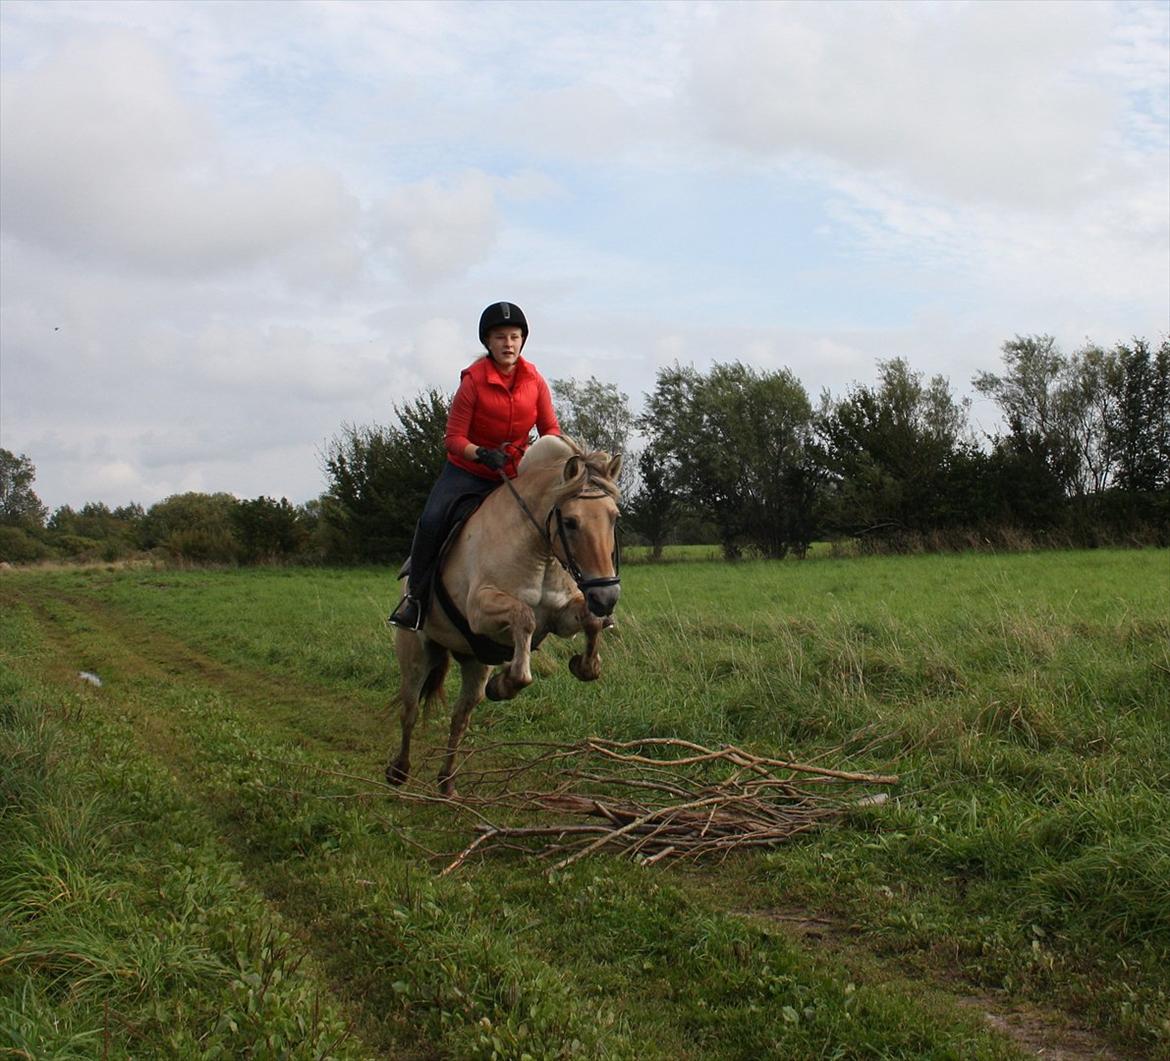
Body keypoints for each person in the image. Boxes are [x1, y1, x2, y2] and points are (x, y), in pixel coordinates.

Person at [388, 301, 560, 630]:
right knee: (431, 519)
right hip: (467, 473)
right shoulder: (473, 383)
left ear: (523, 340)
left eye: (514, 336)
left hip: (513, 476)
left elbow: (550, 431)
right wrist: (480, 453)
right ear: (487, 342)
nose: (508, 344)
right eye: (499, 337)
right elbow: (453, 438)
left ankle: (580, 596)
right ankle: (416, 600)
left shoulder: (535, 381)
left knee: (562, 518)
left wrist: (551, 461)